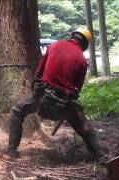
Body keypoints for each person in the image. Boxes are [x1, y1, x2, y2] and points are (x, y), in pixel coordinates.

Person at [7, 27, 107, 161]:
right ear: (85, 44)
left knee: (16, 111)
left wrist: (38, 89)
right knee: (84, 126)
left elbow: (38, 73)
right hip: (65, 102)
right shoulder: (83, 61)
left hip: (43, 95)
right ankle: (101, 155)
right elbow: (77, 89)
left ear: (72, 36)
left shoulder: (54, 45)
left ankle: (11, 150)